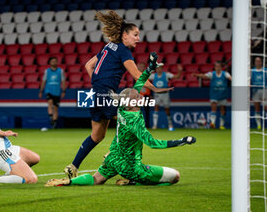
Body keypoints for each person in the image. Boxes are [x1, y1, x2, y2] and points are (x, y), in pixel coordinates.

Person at [45, 61, 196, 187]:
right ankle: (134, 181)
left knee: (96, 179)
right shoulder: (134, 120)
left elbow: (139, 84)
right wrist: (181, 141)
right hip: (131, 166)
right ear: (131, 102)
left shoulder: (123, 109)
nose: (140, 95)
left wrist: (149, 69)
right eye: (137, 96)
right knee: (176, 176)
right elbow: (154, 143)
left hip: (113, 158)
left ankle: (69, 182)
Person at [64, 10, 170, 179]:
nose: (138, 38)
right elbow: (136, 74)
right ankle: (115, 157)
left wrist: (98, 85)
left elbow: (88, 66)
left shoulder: (108, 46)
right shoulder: (123, 51)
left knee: (97, 135)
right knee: (131, 119)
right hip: (106, 94)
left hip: (97, 94)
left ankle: (73, 166)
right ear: (124, 35)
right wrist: (155, 88)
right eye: (135, 34)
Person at [193, 61, 232, 129]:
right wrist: (197, 75)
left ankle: (221, 125)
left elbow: (230, 78)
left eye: (219, 66)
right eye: (216, 66)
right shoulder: (212, 74)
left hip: (223, 94)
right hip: (214, 94)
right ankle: (212, 123)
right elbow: (204, 76)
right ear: (215, 67)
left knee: (223, 110)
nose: (217, 68)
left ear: (221, 67)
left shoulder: (225, 74)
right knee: (213, 108)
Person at [149, 65, 182, 130]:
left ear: (162, 69)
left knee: (167, 109)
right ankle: (154, 125)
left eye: (160, 68)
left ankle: (170, 125)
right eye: (157, 68)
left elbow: (177, 77)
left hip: (165, 94)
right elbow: (143, 78)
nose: (159, 70)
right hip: (157, 94)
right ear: (156, 69)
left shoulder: (166, 75)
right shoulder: (153, 76)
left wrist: (180, 71)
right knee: (156, 108)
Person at [39, 57, 66, 128]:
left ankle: (54, 122)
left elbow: (63, 81)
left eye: (55, 61)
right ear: (50, 62)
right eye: (52, 61)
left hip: (57, 92)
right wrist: (41, 91)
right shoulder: (47, 71)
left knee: (56, 107)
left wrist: (63, 91)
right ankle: (51, 117)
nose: (54, 62)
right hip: (49, 90)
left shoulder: (60, 71)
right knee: (50, 102)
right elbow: (44, 81)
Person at [251, 57, 267, 129]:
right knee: (257, 108)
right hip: (255, 90)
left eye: (259, 61)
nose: (258, 62)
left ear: (261, 62)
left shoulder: (265, 70)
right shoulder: (252, 71)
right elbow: (249, 80)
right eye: (256, 61)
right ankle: (259, 124)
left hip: (264, 89)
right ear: (254, 62)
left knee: (266, 107)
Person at [137, 62, 151, 127]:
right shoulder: (136, 75)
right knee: (138, 111)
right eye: (140, 66)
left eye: (143, 66)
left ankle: (147, 125)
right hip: (139, 96)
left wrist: (150, 95)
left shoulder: (147, 75)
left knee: (146, 111)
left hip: (146, 96)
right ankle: (139, 124)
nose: (141, 68)